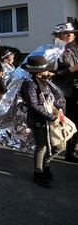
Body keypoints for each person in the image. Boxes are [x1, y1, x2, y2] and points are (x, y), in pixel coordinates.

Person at [20, 55, 65, 188]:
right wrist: (51, 117)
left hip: (50, 120)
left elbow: (51, 99)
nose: (48, 71)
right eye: (46, 69)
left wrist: (59, 109)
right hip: (38, 121)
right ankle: (38, 173)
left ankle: (45, 166)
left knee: (59, 146)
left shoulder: (45, 82)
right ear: (39, 71)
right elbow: (33, 105)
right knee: (42, 146)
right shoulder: (30, 85)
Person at [51, 22, 78, 163]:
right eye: (66, 33)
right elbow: (51, 73)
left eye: (71, 33)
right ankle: (48, 155)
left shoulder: (75, 49)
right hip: (61, 93)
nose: (69, 35)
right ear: (58, 36)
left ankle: (71, 152)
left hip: (75, 91)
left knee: (75, 122)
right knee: (59, 123)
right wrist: (73, 69)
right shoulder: (53, 51)